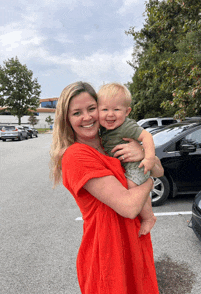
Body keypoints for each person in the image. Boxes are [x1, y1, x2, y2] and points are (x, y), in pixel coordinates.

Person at [50, 81, 164, 294]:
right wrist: (148, 181)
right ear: (67, 119)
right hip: (108, 255)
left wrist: (143, 156)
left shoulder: (109, 144)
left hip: (134, 244)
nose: (87, 117)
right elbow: (129, 207)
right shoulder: (76, 156)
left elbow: (159, 171)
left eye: (91, 108)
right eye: (77, 113)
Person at [98, 82, 157, 236]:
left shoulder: (125, 126)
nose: (110, 114)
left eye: (116, 109)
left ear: (127, 111)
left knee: (131, 188)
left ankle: (149, 217)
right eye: (104, 109)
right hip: (127, 166)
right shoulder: (103, 128)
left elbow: (147, 136)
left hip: (135, 166)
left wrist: (149, 158)